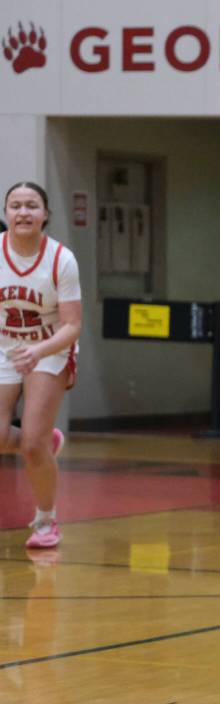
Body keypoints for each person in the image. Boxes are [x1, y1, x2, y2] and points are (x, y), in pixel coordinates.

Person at [0, 181, 81, 550]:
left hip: (50, 345)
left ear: (45, 214)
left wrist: (38, 350)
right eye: (15, 205)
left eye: (31, 205)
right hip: (4, 345)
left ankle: (46, 521)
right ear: (6, 214)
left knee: (31, 444)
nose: (23, 212)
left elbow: (72, 325)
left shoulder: (60, 259)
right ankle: (45, 442)